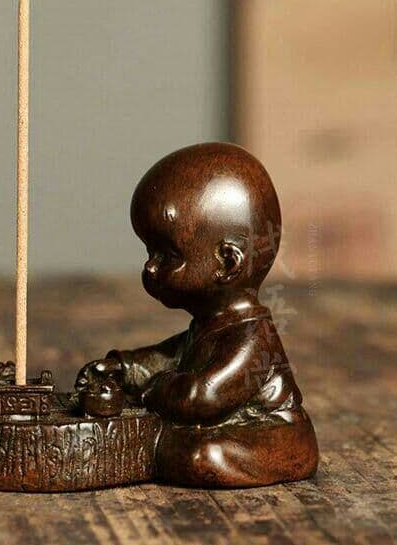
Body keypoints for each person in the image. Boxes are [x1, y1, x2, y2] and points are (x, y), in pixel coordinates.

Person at [76, 143, 318, 487]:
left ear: (228, 263)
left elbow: (202, 397)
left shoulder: (254, 340)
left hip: (277, 437)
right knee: (175, 445)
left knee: (201, 456)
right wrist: (124, 367)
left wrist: (149, 390)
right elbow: (169, 356)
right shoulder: (208, 326)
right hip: (224, 431)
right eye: (149, 251)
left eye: (167, 254)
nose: (150, 267)